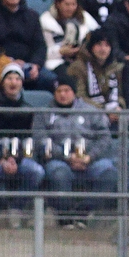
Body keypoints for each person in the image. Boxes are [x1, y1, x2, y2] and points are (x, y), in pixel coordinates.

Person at [32, 74, 118, 228]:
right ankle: (64, 217)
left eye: (67, 90)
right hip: (58, 160)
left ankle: (83, 212)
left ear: (74, 92)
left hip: (90, 159)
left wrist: (89, 157)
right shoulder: (44, 113)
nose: (63, 94)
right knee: (57, 173)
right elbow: (41, 140)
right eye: (59, 91)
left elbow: (105, 138)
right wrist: (67, 156)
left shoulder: (91, 111)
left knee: (109, 173)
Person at [0, 63, 46, 228]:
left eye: (18, 79)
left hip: (15, 157)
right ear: (2, 82)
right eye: (10, 78)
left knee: (36, 171)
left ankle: (16, 208)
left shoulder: (27, 109)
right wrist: (0, 158)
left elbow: (26, 139)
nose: (14, 82)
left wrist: (15, 160)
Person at [0, 0, 58, 92]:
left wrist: (35, 65)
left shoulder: (32, 16)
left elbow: (40, 46)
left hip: (28, 65)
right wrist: (8, 61)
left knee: (53, 81)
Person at [67, 28, 125, 127]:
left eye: (107, 45)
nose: (103, 49)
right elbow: (80, 97)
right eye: (99, 45)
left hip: (111, 111)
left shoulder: (114, 68)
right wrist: (104, 110)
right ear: (91, 47)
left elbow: (120, 94)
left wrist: (118, 107)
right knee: (102, 121)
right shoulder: (78, 67)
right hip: (87, 113)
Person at [40, 0, 100, 75]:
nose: (70, 8)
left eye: (73, 4)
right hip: (56, 62)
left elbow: (99, 34)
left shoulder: (84, 17)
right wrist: (60, 51)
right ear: (58, 4)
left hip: (83, 59)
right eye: (67, 4)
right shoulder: (46, 22)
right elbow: (41, 51)